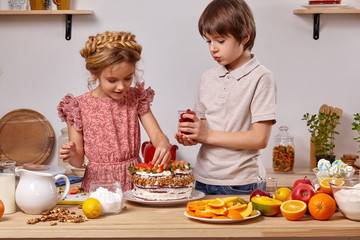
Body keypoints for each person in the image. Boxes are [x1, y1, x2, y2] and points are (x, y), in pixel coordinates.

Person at [175, 0, 277, 195]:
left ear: (245, 36)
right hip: (202, 179)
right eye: (209, 41)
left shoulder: (261, 77)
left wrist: (206, 135)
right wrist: (192, 136)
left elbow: (259, 138)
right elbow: (206, 128)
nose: (213, 48)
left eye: (220, 41)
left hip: (241, 183)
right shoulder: (208, 77)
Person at [58, 31, 171, 192]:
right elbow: (77, 162)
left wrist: (163, 144)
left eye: (128, 78)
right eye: (112, 80)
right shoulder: (77, 106)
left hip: (134, 180)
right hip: (98, 186)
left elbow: (157, 136)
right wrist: (71, 153)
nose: (121, 86)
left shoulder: (136, 98)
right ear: (94, 73)